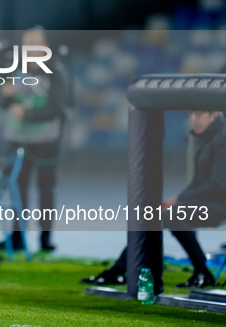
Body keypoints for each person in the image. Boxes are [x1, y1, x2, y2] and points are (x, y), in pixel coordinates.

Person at [81, 111, 226, 288]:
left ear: (213, 116)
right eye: (191, 115)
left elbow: (219, 185)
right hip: (209, 201)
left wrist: (180, 199)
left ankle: (202, 271)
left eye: (199, 115)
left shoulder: (222, 140)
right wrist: (178, 199)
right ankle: (119, 270)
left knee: (172, 215)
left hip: (220, 204)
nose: (193, 119)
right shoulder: (205, 138)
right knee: (155, 215)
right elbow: (199, 181)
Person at [0, 28, 71, 251]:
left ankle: (45, 238)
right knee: (16, 186)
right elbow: (4, 105)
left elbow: (57, 108)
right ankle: (17, 237)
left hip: (46, 141)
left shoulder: (56, 73)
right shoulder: (16, 71)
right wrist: (7, 96)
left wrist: (28, 114)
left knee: (45, 188)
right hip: (18, 138)